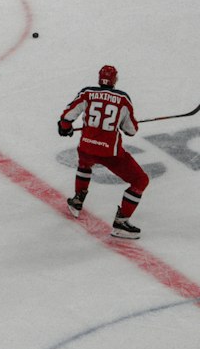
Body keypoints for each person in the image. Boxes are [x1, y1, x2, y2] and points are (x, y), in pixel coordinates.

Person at [58, 64, 149, 239]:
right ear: (115, 80)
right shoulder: (122, 99)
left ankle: (77, 201)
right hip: (110, 153)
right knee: (140, 180)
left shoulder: (87, 93)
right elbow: (131, 130)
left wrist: (65, 127)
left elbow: (67, 117)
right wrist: (124, 124)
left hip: (86, 147)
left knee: (85, 164)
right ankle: (121, 223)